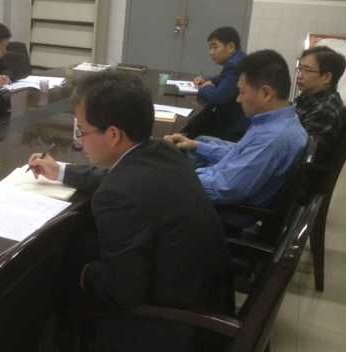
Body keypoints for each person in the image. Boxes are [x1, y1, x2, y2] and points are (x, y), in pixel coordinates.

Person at [28, 71, 233, 351]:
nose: (80, 140)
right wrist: (61, 171)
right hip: (207, 293)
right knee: (80, 243)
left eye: (82, 131)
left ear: (113, 135)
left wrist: (84, 273)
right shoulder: (162, 151)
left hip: (178, 326)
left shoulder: (117, 195)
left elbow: (124, 293)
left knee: (61, 268)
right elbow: (121, 178)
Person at [166, 50, 308, 207]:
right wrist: (196, 146)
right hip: (218, 184)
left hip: (221, 210)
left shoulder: (273, 138)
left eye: (242, 92)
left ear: (266, 93)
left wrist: (172, 176)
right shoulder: (277, 122)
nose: (238, 99)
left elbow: (224, 188)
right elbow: (241, 154)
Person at [189, 26, 248, 141]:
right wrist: (207, 80)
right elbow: (223, 77)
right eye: (210, 48)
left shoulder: (234, 65)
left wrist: (204, 87)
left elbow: (218, 98)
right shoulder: (240, 58)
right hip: (238, 122)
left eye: (215, 47)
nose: (211, 52)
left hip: (233, 129)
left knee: (194, 128)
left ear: (231, 47)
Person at [295, 46, 346, 160]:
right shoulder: (307, 98)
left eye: (307, 70)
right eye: (300, 69)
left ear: (326, 77)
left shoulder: (326, 110)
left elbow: (305, 154)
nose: (299, 75)